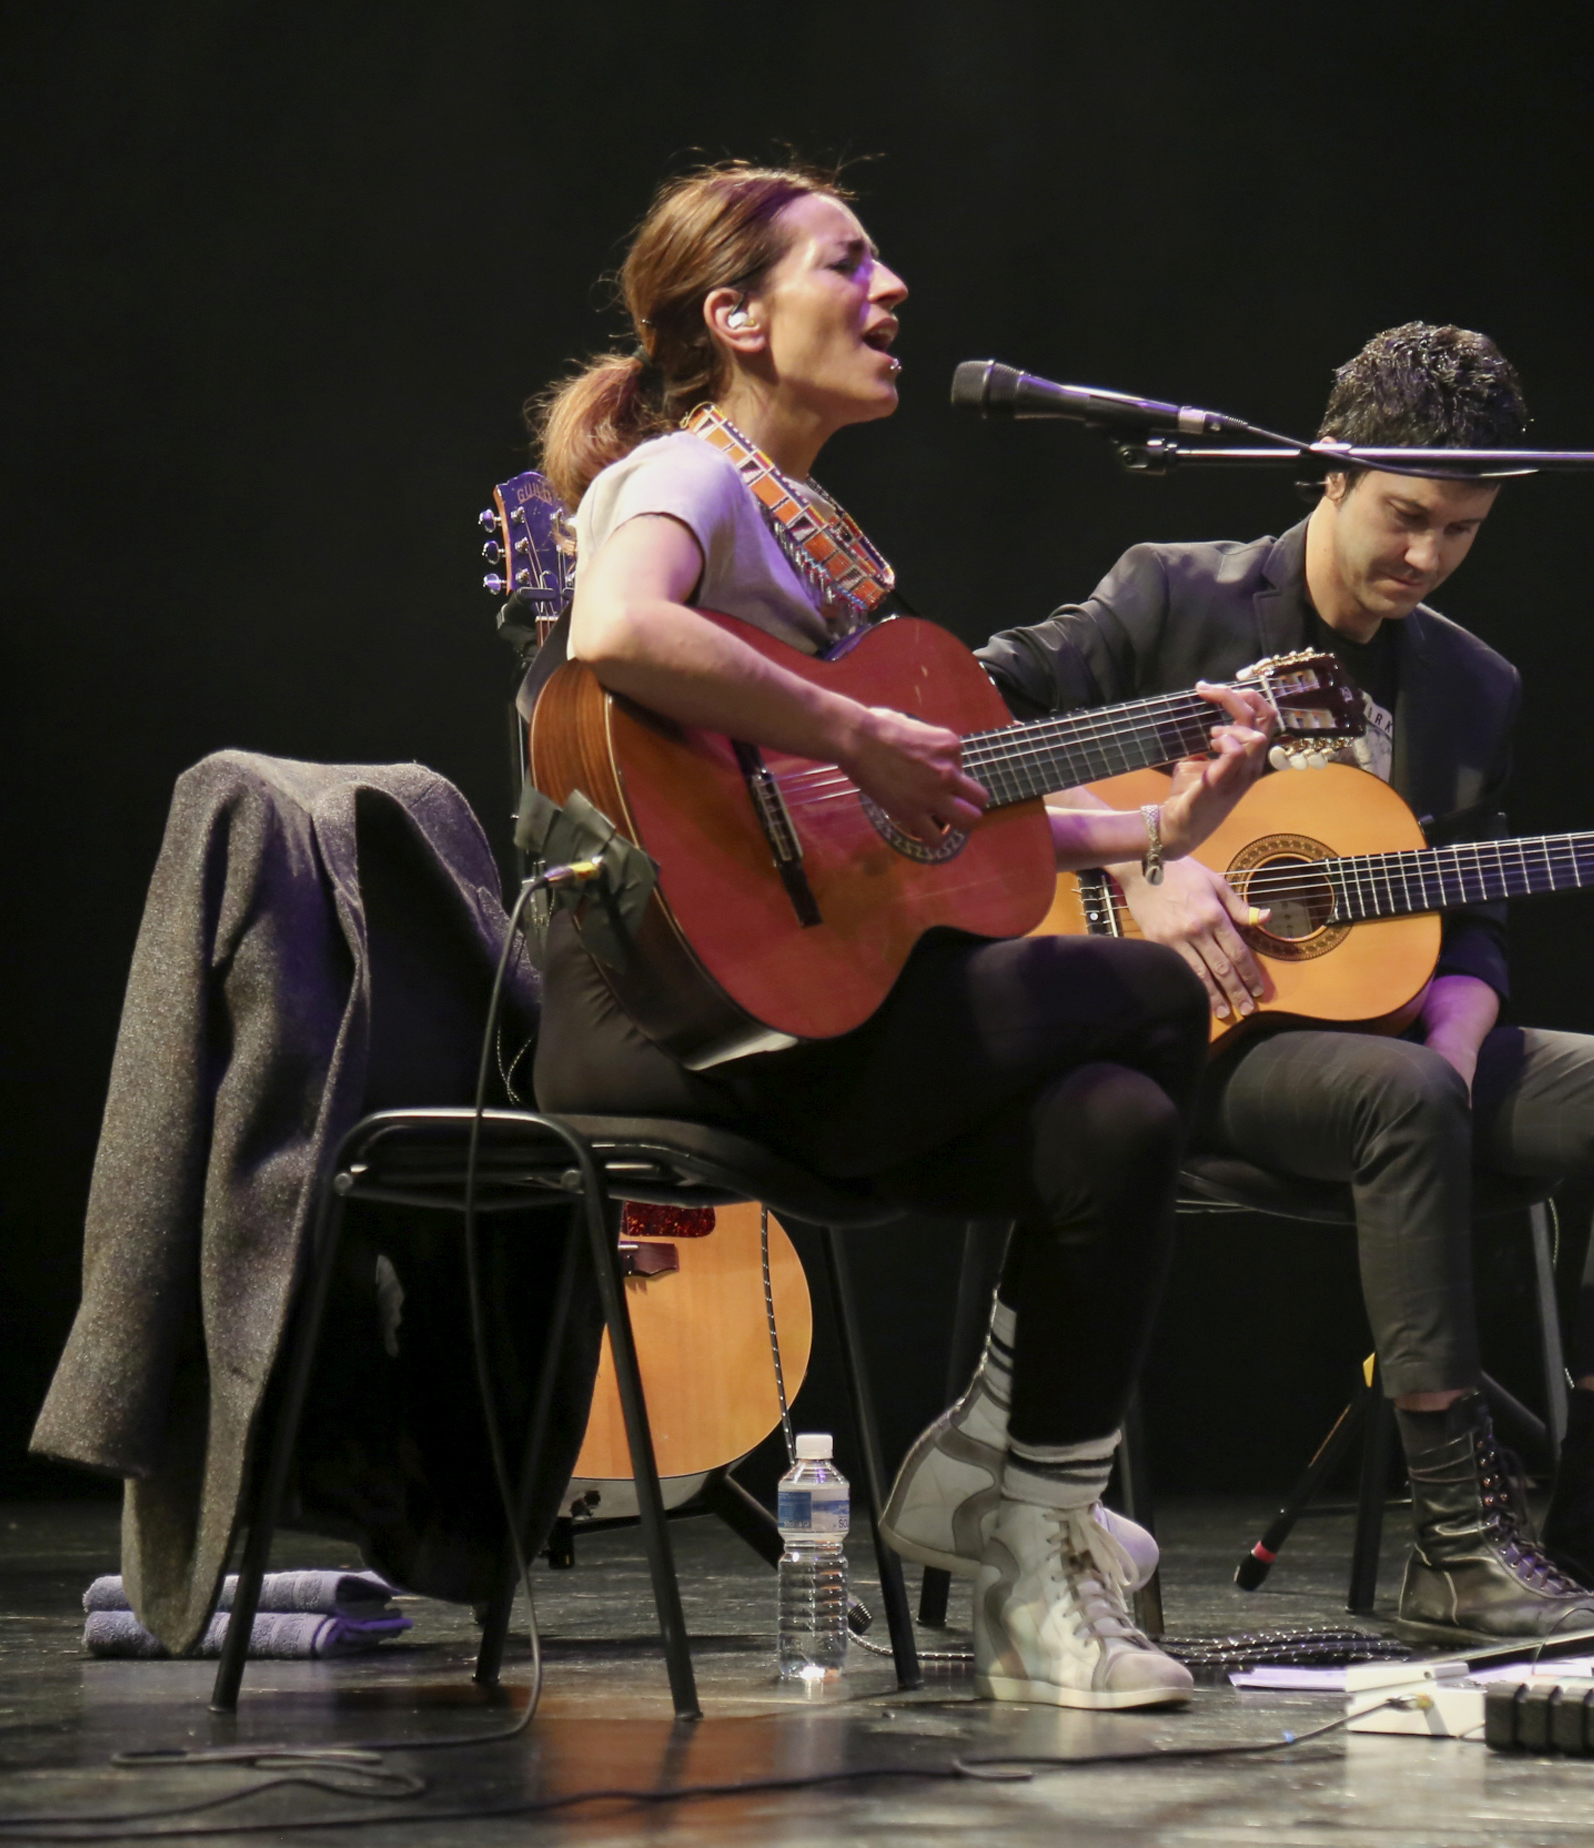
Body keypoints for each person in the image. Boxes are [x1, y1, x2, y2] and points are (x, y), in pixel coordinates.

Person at [525, 162, 1276, 1707]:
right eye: (848, 263)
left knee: (1118, 1123)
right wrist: (858, 728)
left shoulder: (817, 536)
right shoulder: (687, 476)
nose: (893, 291)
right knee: (1147, 994)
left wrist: (1159, 828)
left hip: (813, 1024)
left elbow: (909, 836)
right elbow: (617, 629)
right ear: (736, 317)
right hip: (675, 1028)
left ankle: (1028, 1549)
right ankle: (993, 1484)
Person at [938, 324, 1594, 1644]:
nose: (1426, 557)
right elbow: (963, 721)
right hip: (1161, 1037)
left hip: (1373, 1046)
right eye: (1405, 516)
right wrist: (1143, 859)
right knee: (1401, 1095)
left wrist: (1461, 1043)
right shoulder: (1173, 593)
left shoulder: (1472, 686)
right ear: (1332, 474)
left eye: (1462, 532)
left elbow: (1469, 924)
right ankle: (1459, 1543)